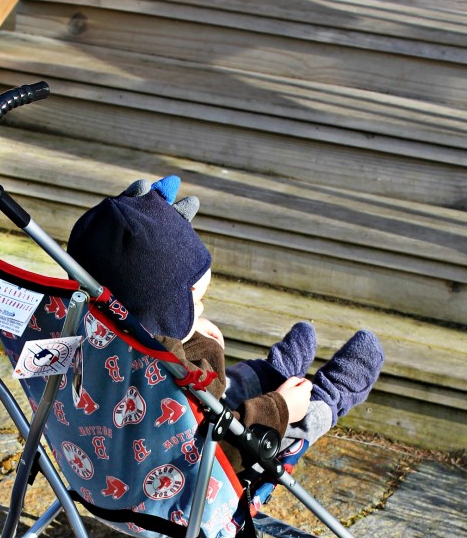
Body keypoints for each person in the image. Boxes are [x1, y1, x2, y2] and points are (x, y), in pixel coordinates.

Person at [66, 175, 384, 468]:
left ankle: (273, 371)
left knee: (233, 379)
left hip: (100, 477)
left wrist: (186, 332)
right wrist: (282, 408)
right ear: (163, 311)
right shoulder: (166, 376)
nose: (200, 309)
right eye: (193, 304)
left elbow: (143, 324)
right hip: (188, 482)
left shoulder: (87, 334)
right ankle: (331, 396)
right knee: (296, 415)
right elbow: (224, 450)